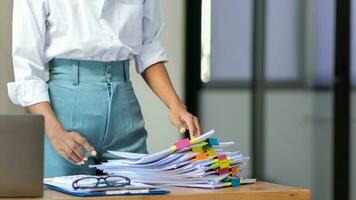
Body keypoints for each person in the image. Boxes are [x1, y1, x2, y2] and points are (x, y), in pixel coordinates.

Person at [8, 0, 201, 178]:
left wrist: (176, 105)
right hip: (63, 117)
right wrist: (54, 132)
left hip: (125, 115)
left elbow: (148, 47)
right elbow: (27, 69)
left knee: (138, 195)